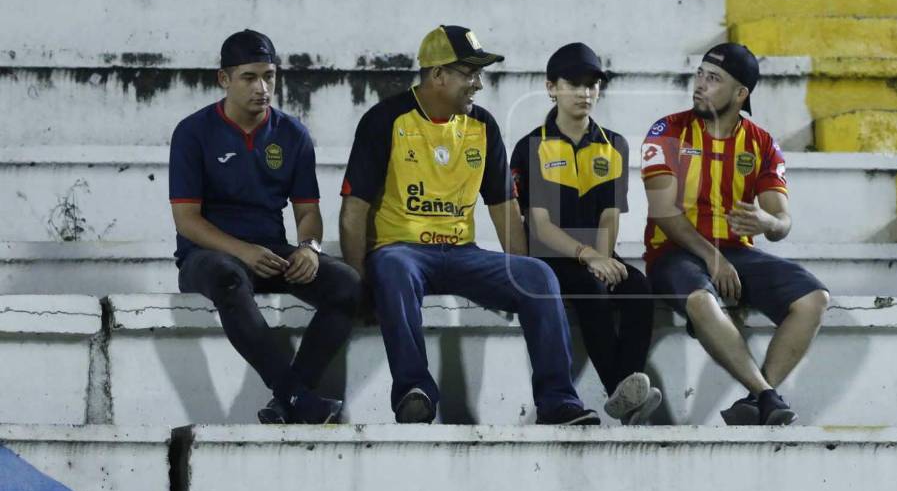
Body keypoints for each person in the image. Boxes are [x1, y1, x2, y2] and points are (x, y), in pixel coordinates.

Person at [338, 24, 600, 426]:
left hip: (463, 253)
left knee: (539, 275)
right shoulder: (385, 120)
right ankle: (415, 391)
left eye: (479, 74)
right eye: (469, 73)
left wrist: (518, 277)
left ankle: (557, 402)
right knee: (391, 266)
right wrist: (358, 283)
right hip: (402, 251)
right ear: (437, 74)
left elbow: (505, 210)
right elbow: (354, 209)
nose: (478, 84)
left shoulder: (482, 126)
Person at [169, 29, 361, 424]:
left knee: (348, 285)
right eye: (250, 77)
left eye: (269, 76)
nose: (262, 87)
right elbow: (186, 220)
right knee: (228, 279)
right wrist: (242, 251)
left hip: (271, 253)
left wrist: (308, 247)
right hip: (207, 259)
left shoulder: (292, 134)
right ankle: (295, 394)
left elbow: (308, 211)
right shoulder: (193, 132)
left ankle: (287, 400)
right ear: (224, 79)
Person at [641, 43, 831, 426]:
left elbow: (781, 221)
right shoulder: (669, 129)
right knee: (701, 301)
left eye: (713, 79)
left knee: (814, 298)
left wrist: (768, 222)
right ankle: (767, 396)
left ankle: (756, 398)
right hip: (674, 251)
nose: (700, 85)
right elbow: (663, 213)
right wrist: (713, 258)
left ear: (741, 93)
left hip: (736, 255)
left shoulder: (761, 143)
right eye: (700, 74)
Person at [510, 43, 661, 425]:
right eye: (574, 84)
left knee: (639, 288)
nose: (585, 93)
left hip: (595, 251)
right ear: (551, 88)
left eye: (592, 84)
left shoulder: (614, 145)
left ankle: (626, 388)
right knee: (591, 289)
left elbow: (610, 215)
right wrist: (590, 257)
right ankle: (621, 392)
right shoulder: (532, 145)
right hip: (549, 256)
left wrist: (604, 256)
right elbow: (540, 226)